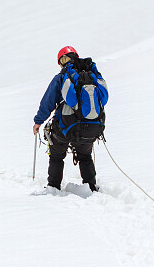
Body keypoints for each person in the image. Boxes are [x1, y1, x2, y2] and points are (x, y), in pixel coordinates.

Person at [33, 46, 107, 191]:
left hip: (66, 128)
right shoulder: (92, 76)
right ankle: (91, 187)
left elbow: (48, 102)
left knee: (56, 155)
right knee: (85, 156)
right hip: (92, 126)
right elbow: (103, 99)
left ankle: (53, 187)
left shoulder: (62, 77)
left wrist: (38, 121)